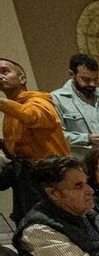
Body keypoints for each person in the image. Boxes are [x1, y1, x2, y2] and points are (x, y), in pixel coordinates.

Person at [0, 56, 70, 223]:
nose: (0, 76)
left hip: (52, 179)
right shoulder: (10, 112)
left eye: (5, 71)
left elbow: (33, 116)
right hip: (28, 182)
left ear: (22, 78)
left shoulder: (39, 101)